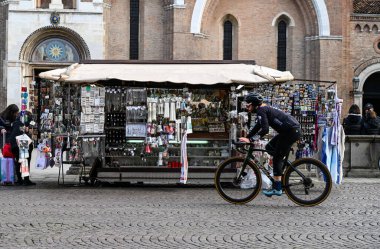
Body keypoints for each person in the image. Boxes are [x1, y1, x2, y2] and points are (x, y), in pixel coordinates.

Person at [239, 93, 301, 197]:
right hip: (289, 131)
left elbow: (265, 129)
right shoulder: (263, 110)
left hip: (290, 132)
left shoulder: (261, 110)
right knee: (269, 147)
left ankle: (277, 188)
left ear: (254, 104)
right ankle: (280, 168)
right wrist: (248, 137)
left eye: (249, 105)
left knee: (277, 158)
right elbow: (258, 126)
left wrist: (250, 139)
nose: (247, 108)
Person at [9, 111, 36, 186]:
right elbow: (32, 128)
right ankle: (26, 180)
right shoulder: (28, 120)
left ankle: (19, 180)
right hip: (22, 141)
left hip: (14, 143)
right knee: (25, 161)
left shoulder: (15, 122)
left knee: (18, 161)